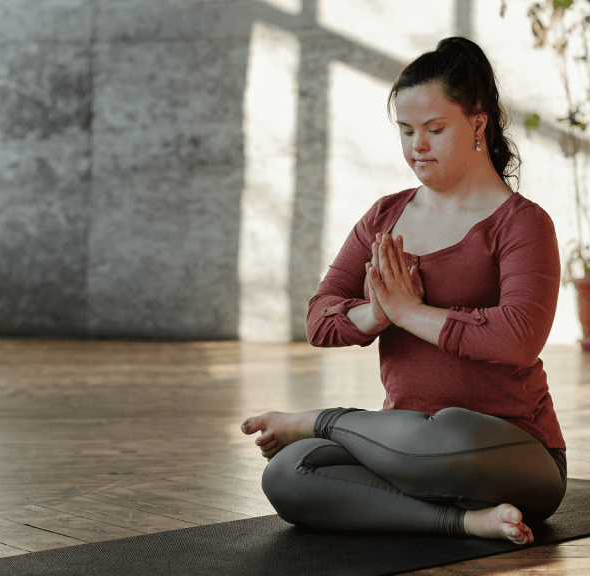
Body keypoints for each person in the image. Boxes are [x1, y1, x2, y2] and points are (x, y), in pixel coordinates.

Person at [241, 36, 566, 545]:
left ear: (478, 124)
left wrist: (410, 312)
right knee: (288, 472)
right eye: (407, 130)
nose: (418, 146)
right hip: (402, 441)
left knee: (447, 432)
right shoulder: (385, 216)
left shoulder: (523, 224)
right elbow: (319, 319)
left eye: (435, 130)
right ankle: (461, 522)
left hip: (508, 450)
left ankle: (320, 421)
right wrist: (377, 314)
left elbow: (517, 337)